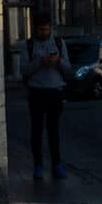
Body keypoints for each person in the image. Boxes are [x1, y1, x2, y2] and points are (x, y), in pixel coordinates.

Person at [23, 11, 69, 181]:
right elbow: (24, 70)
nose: (44, 32)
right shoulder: (28, 45)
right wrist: (39, 62)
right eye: (41, 30)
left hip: (55, 91)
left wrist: (58, 62)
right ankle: (38, 166)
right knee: (36, 131)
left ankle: (57, 165)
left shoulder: (58, 43)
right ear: (35, 29)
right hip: (36, 92)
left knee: (53, 131)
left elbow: (68, 69)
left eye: (46, 29)